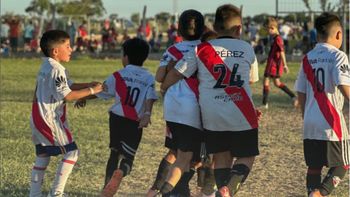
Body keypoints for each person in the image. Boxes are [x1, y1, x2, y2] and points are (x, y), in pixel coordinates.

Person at [161, 4, 260, 197]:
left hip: (212, 115)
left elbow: (176, 73)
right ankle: (227, 189)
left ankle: (223, 190)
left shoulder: (201, 49)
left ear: (215, 27)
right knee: (247, 155)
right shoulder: (246, 48)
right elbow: (251, 79)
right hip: (242, 112)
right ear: (239, 29)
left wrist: (164, 88)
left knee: (221, 157)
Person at [29, 30, 103, 197]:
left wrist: (86, 86)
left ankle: (34, 194)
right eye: (68, 46)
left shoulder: (46, 65)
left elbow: (68, 86)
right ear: (55, 51)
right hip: (49, 119)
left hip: (37, 117)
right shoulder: (57, 69)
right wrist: (92, 89)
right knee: (71, 151)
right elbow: (68, 95)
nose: (71, 49)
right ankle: (57, 193)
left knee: (43, 154)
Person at [146, 9, 213, 197]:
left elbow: (160, 77)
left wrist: (169, 69)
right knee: (190, 156)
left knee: (175, 151)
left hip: (172, 108)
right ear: (203, 29)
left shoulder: (172, 49)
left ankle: (166, 190)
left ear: (179, 31)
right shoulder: (205, 49)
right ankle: (170, 191)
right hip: (193, 109)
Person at [294, 12, 350, 197]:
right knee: (344, 162)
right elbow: (344, 86)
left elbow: (301, 92)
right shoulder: (339, 56)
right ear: (339, 34)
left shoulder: (307, 58)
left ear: (317, 34)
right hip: (331, 121)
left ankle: (312, 192)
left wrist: (305, 114)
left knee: (314, 165)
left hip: (310, 121)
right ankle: (319, 194)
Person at [97, 38, 158, 197]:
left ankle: (106, 187)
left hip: (117, 119)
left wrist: (84, 97)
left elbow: (102, 91)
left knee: (114, 153)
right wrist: (147, 114)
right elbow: (150, 97)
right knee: (128, 157)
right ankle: (122, 171)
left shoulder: (119, 75)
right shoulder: (148, 77)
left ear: (126, 56)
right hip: (134, 122)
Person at [262, 17, 297, 109]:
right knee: (277, 83)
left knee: (266, 80)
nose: (267, 31)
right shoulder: (274, 38)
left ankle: (264, 104)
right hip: (272, 63)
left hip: (274, 65)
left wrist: (285, 65)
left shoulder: (278, 39)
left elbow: (282, 52)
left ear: (273, 28)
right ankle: (293, 96)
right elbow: (274, 52)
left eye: (268, 29)